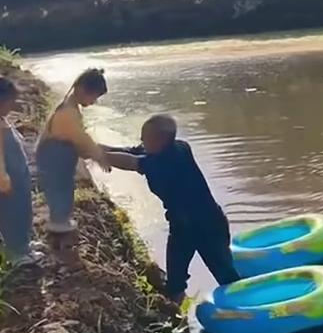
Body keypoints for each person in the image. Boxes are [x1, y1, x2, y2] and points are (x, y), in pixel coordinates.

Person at [103, 114, 240, 303]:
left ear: (161, 140)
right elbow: (132, 152)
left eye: (145, 137)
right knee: (175, 283)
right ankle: (180, 323)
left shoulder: (169, 161)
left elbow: (132, 162)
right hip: (181, 228)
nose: (141, 140)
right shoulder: (177, 147)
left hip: (208, 227)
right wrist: (93, 149)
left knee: (227, 278)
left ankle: (254, 316)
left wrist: (99, 156)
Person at [0, 76, 43, 267]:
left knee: (22, 212)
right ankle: (16, 253)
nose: (13, 106)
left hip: (18, 179)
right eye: (11, 102)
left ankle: (25, 245)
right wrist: (3, 182)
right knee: (11, 215)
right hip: (7, 183)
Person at [36, 68, 112, 237]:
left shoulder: (70, 106)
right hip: (53, 156)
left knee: (64, 187)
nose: (94, 102)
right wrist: (99, 156)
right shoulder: (68, 113)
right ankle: (58, 223)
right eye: (94, 97)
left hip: (59, 156)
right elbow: (81, 138)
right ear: (81, 89)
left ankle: (61, 219)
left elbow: (79, 138)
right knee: (59, 189)